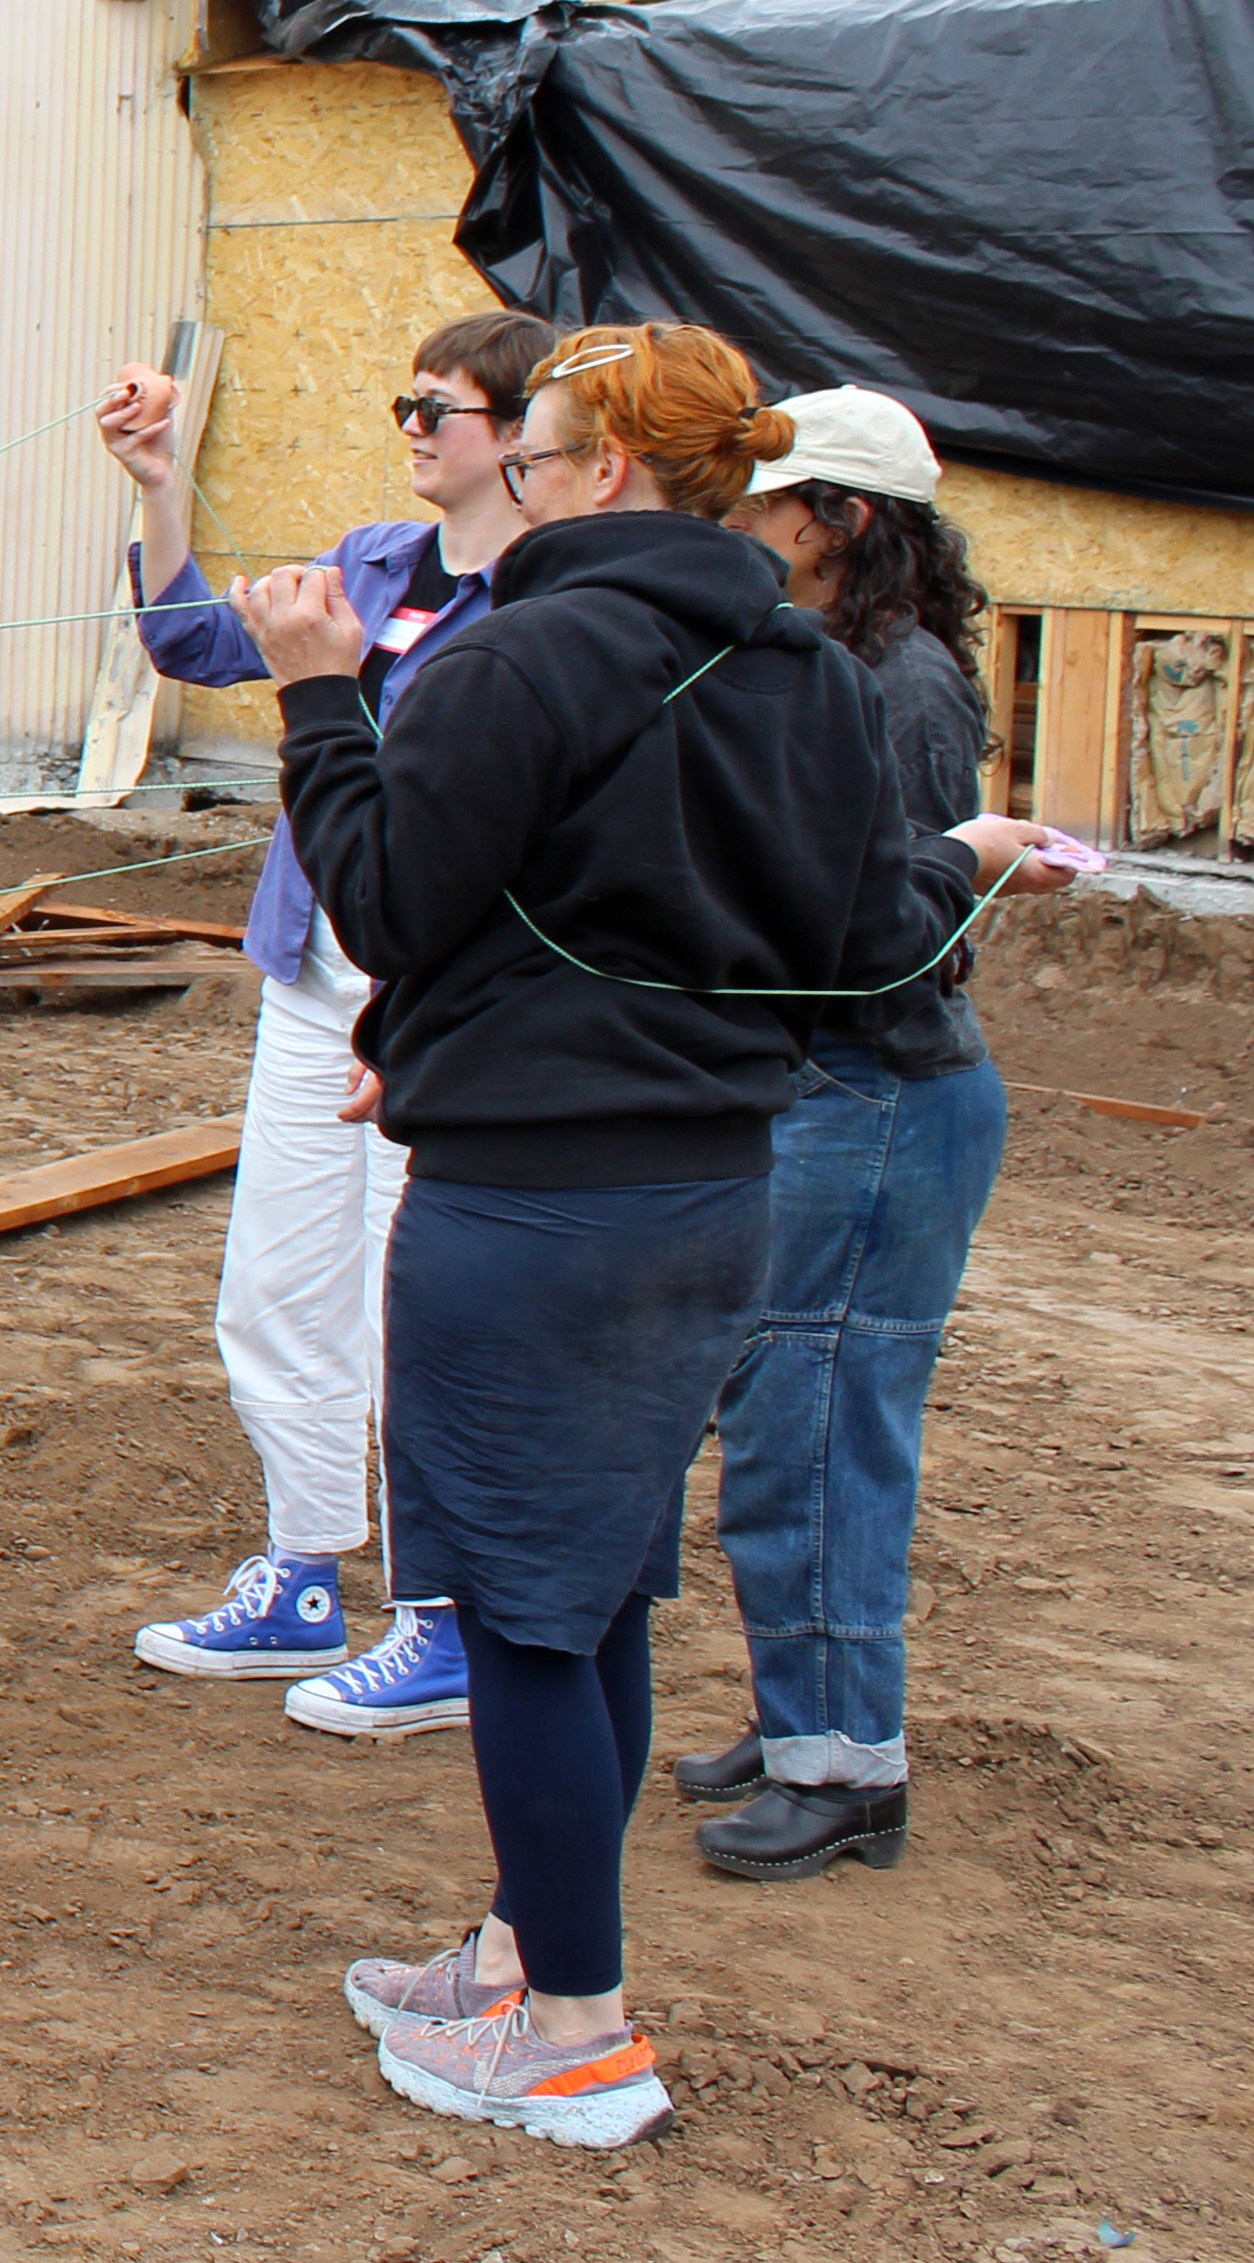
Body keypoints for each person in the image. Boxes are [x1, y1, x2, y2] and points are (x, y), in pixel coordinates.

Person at [236, 323, 1066, 2150]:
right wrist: (964, 851)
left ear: (599, 466)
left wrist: (313, 696)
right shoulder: (807, 674)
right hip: (708, 1187)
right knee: (590, 1587)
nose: (507, 488)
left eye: (523, 459)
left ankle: (579, 2030)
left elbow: (381, 896)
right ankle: (529, 1953)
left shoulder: (513, 654)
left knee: (525, 1617)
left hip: (527, 1210)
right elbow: (852, 928)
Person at [97, 307, 555, 1733]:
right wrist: (158, 481)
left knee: (414, 1300)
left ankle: (443, 1610)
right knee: (277, 1286)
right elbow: (187, 640)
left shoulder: (547, 606)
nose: (414, 429)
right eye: (403, 404)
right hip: (318, 973)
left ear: (526, 440)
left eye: (444, 409)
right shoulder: (370, 559)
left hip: (445, 992)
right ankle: (304, 1567)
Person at [678, 390, 1013, 1879]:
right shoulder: (822, 664)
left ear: (846, 522)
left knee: (819, 1424)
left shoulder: (904, 687)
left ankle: (842, 1764)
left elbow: (895, 945)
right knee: (772, 1412)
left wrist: (961, 862)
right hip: (822, 1087)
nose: (740, 528)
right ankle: (795, 1705)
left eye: (767, 506)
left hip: (877, 1093)